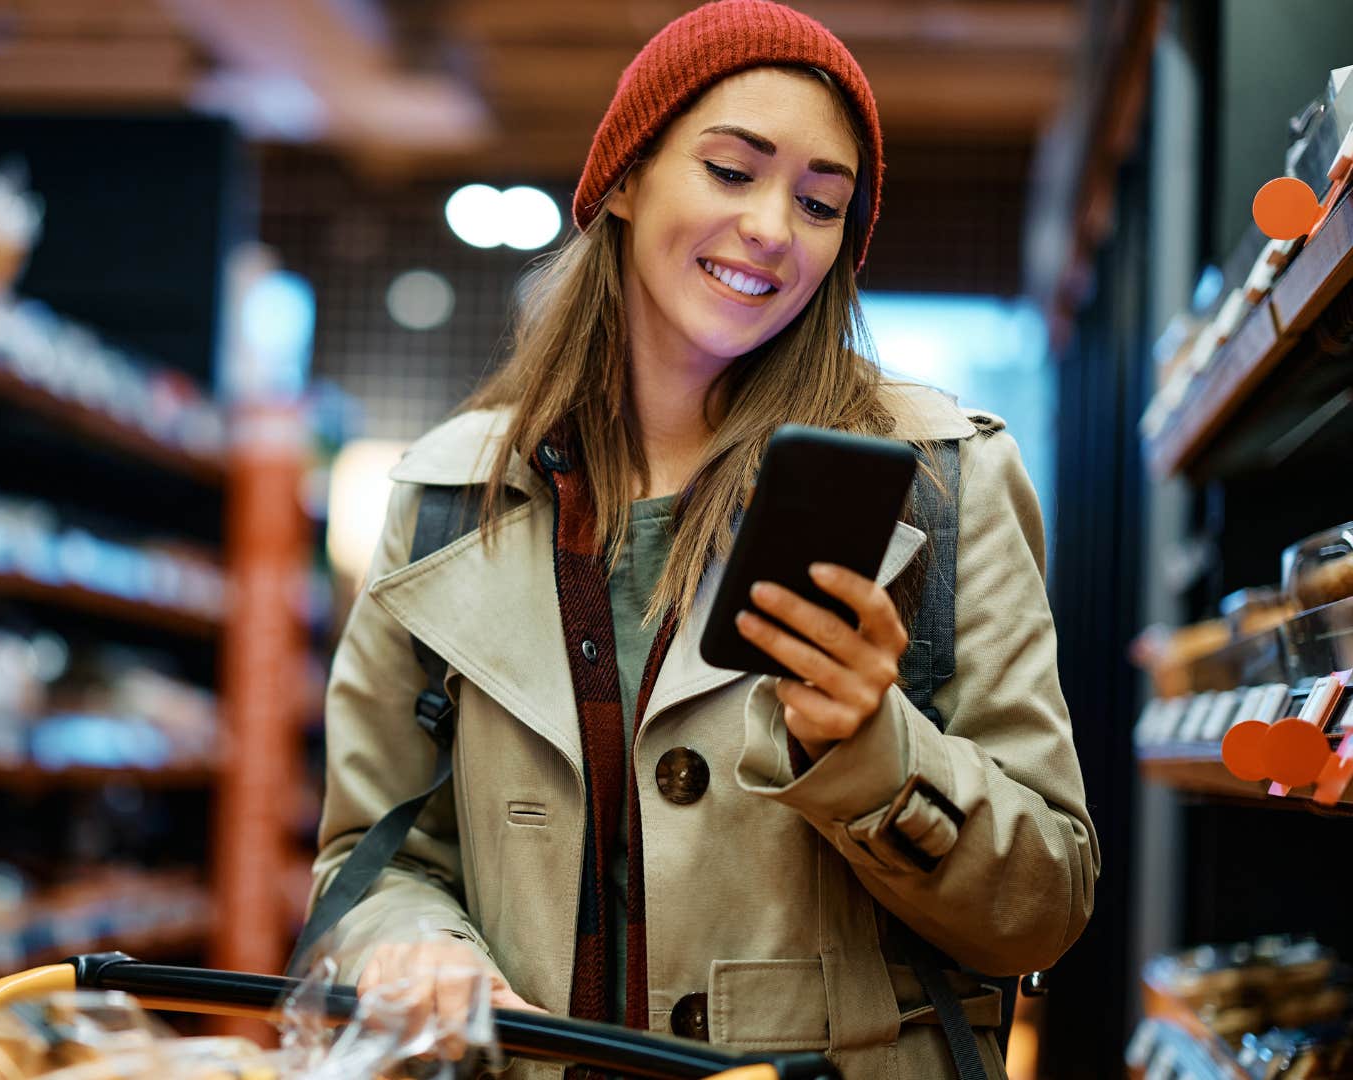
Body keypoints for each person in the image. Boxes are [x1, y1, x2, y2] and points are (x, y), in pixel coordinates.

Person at [306, 2, 1101, 1077]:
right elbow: (372, 860)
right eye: (733, 172)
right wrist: (414, 948)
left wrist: (868, 748)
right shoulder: (452, 494)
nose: (776, 227)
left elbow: (1045, 904)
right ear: (625, 180)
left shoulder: (941, 484)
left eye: (822, 203)